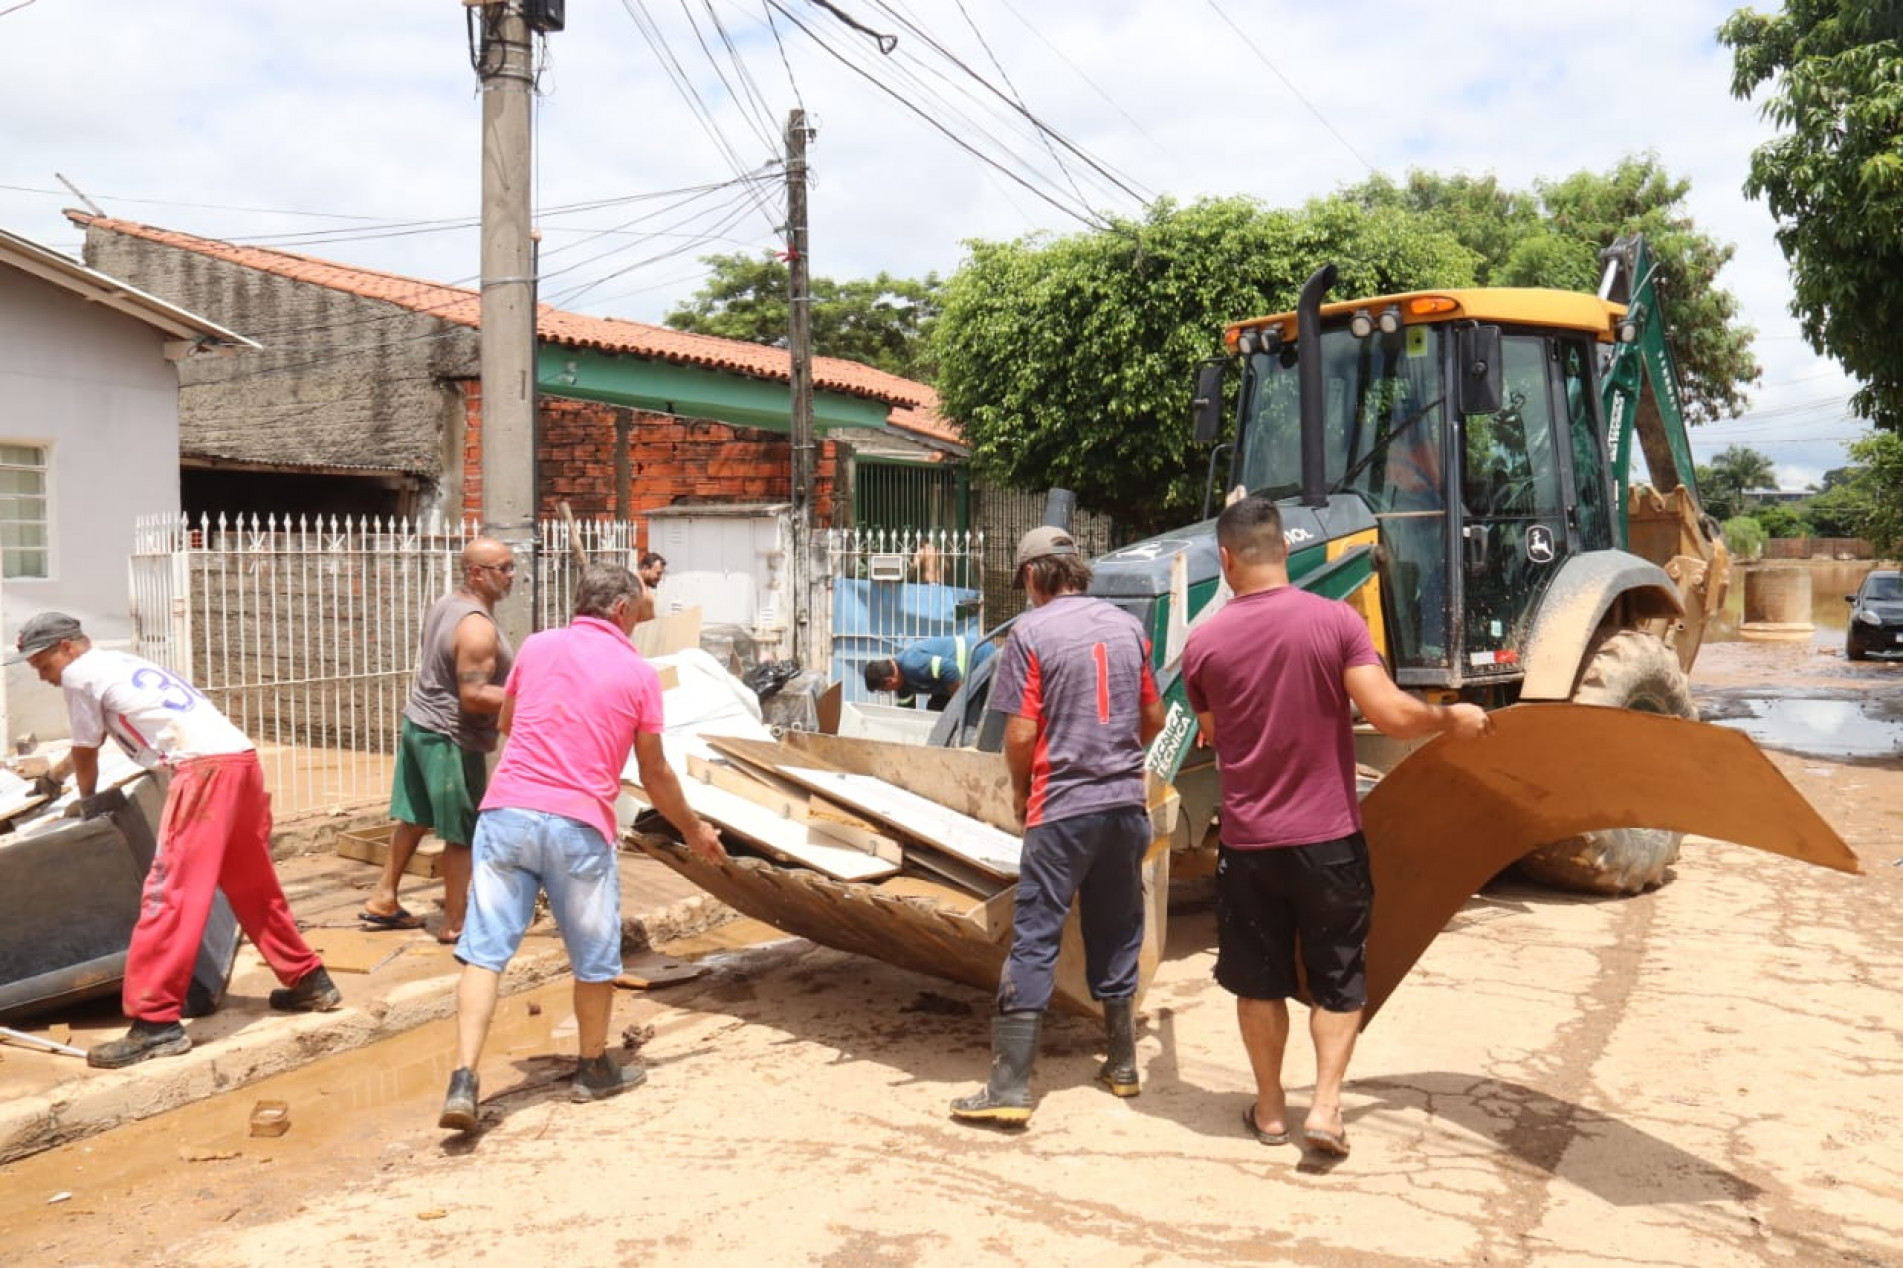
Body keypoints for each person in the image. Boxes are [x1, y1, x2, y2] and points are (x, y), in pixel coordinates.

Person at [1182, 496, 1491, 1159]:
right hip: (1327, 843)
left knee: (1257, 982)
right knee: (1337, 978)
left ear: (1226, 560)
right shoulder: (1335, 622)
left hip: (1247, 846)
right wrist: (1447, 719)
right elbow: (1387, 716)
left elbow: (1210, 735)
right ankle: (1324, 1106)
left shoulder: (1201, 644)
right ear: (1285, 553)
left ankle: (1269, 1111)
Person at [438, 564, 725, 1131]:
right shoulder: (638, 674)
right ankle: (593, 1068)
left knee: (484, 951)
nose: (645, 616)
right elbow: (655, 771)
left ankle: (464, 1078)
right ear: (619, 612)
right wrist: (693, 828)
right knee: (594, 957)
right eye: (641, 606)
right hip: (577, 827)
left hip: (507, 814)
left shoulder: (539, 647)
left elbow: (509, 725)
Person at [10, 612, 341, 1069]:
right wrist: (53, 776)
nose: (45, 677)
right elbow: (90, 741)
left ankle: (156, 1023)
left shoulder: (79, 675)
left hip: (202, 773)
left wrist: (87, 804)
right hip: (239, 761)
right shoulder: (116, 663)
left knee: (170, 895)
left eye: (43, 665)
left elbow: (87, 747)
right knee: (250, 884)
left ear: (67, 648)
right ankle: (309, 979)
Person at [949, 527, 1164, 1127]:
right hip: (1125, 806)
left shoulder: (1031, 632)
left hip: (1062, 809)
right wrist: (1116, 757)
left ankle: (1010, 1087)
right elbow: (1153, 717)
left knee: (1036, 936)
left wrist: (1021, 789)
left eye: (1024, 583)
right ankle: (1122, 1064)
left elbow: (1019, 734)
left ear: (1036, 576)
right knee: (1119, 926)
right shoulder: (1127, 627)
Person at [362, 538, 516, 943]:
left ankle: (383, 897)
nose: (512, 576)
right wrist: (533, 696)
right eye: (504, 568)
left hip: (420, 723)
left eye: (512, 567)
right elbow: (474, 696)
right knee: (462, 833)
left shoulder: (446, 604)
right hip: (450, 736)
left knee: (414, 819)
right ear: (477, 573)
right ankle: (457, 923)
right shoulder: (477, 627)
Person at [862, 634, 996, 712]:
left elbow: (949, 669)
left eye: (884, 690)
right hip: (957, 680)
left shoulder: (913, 663)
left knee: (973, 716)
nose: (887, 693)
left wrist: (959, 704)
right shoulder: (902, 686)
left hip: (981, 659)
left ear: (890, 681)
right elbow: (906, 711)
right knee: (935, 712)